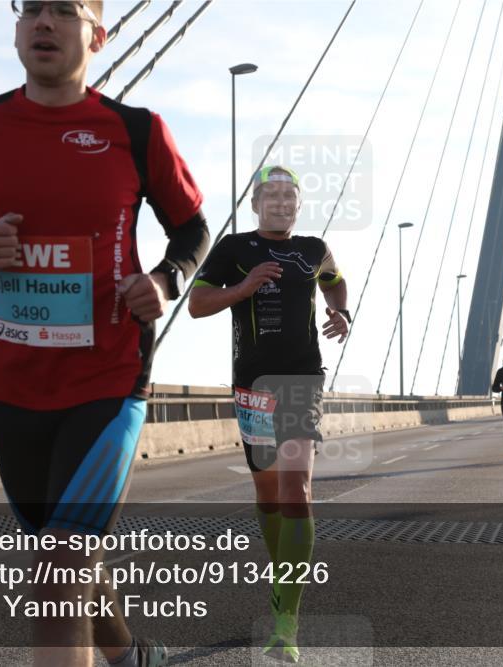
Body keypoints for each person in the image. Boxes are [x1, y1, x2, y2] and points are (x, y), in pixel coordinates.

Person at [0, 2, 209, 665]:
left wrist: (164, 279)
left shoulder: (136, 131)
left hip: (107, 378)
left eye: (65, 10)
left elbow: (192, 230)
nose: (45, 22)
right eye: (33, 10)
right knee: (68, 554)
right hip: (12, 386)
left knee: (57, 566)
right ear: (17, 31)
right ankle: (132, 655)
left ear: (98, 34)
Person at [188, 165, 350, 663]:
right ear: (255, 204)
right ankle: (284, 576)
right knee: (267, 492)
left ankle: (287, 620)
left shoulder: (313, 249)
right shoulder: (234, 249)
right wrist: (244, 287)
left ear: (298, 204)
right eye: (270, 195)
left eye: (288, 195)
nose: (280, 202)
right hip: (252, 386)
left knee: (296, 489)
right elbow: (196, 304)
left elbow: (335, 282)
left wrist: (342, 312)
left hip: (302, 381)